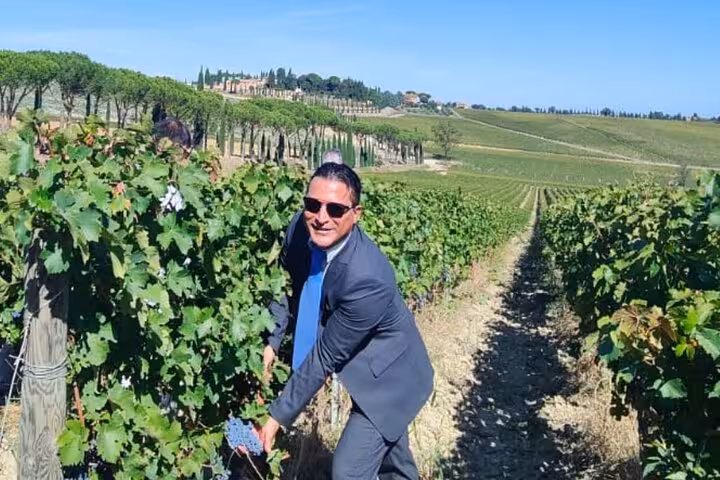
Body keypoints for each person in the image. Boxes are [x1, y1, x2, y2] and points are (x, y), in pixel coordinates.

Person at [259, 160, 434, 479]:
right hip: (367, 365)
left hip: (391, 378)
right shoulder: (300, 227)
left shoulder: (368, 278)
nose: (321, 217)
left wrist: (277, 417)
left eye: (336, 209)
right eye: (313, 204)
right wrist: (271, 341)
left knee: (348, 471)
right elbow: (285, 283)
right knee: (394, 465)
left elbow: (325, 355)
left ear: (356, 214)